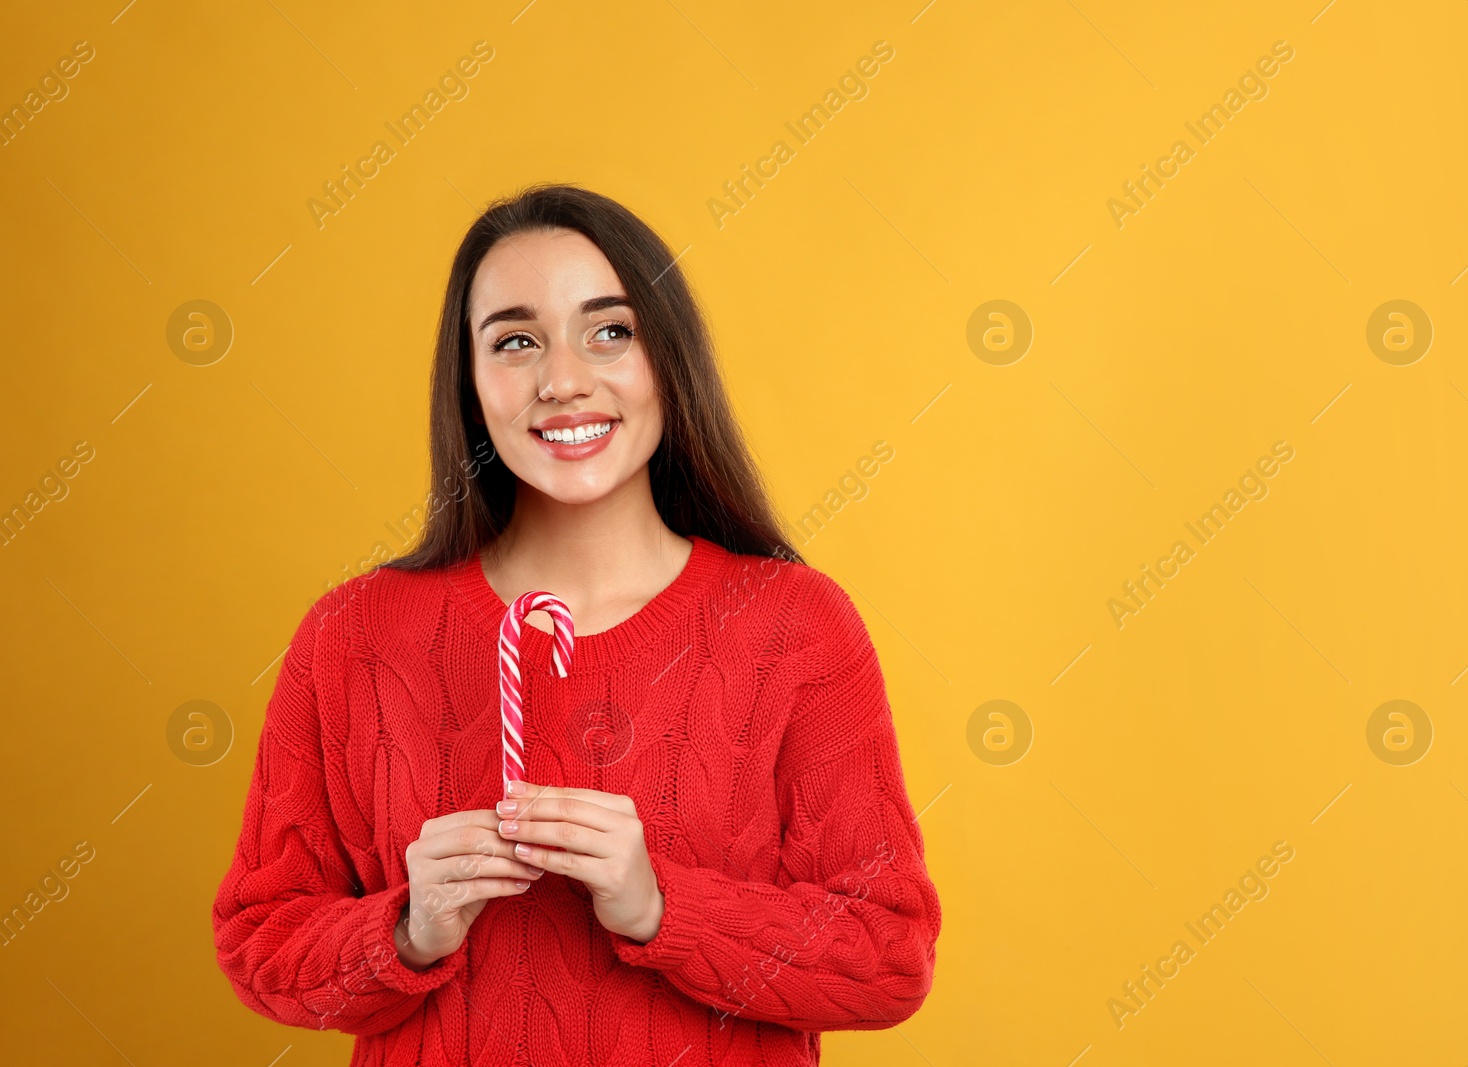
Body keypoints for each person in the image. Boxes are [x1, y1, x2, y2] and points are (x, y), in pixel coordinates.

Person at [212, 183, 941, 1065]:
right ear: (470, 383)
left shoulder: (795, 627)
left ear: (668, 358)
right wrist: (408, 927)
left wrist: (661, 905)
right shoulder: (353, 637)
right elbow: (260, 945)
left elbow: (891, 956)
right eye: (516, 341)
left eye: (610, 331)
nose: (563, 380)